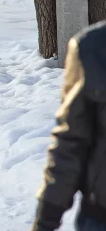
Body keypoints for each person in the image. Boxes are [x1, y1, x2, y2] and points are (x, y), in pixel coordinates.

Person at [31, 22, 106, 231]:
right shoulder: (94, 48)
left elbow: (71, 144)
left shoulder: (92, 46)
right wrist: (47, 216)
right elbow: (72, 143)